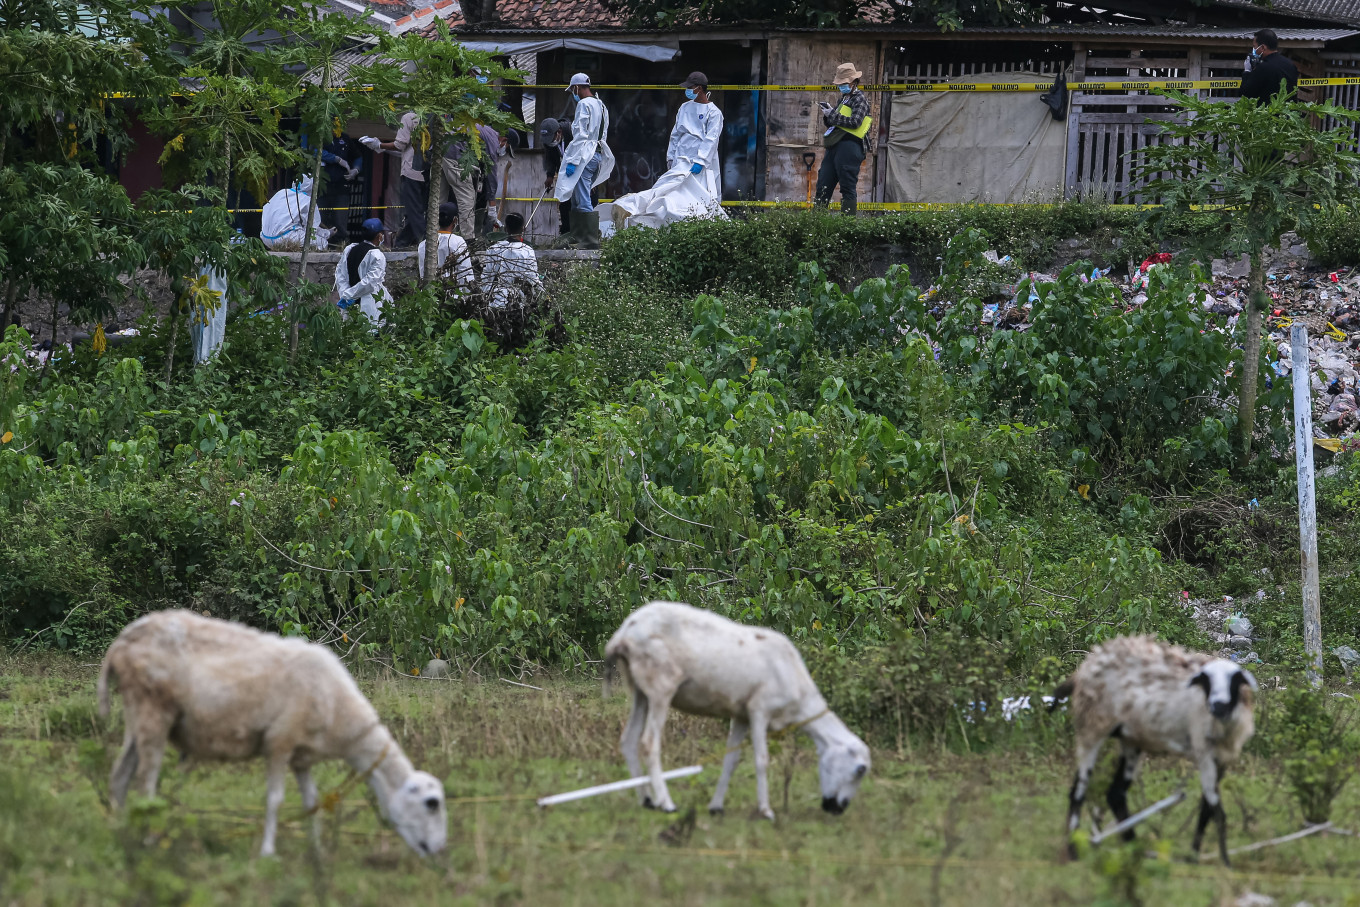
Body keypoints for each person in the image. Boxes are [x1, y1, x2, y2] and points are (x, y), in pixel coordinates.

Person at [612, 72, 725, 231]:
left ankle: (700, 229)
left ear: (699, 88)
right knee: (670, 193)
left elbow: (711, 139)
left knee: (699, 197)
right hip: (681, 160)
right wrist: (671, 158)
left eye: (690, 88)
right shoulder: (685, 107)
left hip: (701, 164)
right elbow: (676, 134)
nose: (687, 91)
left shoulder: (714, 113)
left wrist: (700, 161)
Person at [553, 73, 615, 249]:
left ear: (577, 87)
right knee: (578, 197)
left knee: (582, 198)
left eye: (573, 89)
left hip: (584, 155)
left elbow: (580, 135)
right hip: (597, 154)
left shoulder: (584, 104)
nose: (573, 93)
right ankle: (578, 235)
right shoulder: (601, 105)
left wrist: (572, 160)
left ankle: (588, 241)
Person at [815, 62, 873, 216]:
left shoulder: (859, 99)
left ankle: (847, 228)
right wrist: (828, 115)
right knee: (823, 185)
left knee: (847, 188)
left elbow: (855, 122)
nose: (841, 86)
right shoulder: (844, 99)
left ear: (853, 82)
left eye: (844, 83)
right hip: (835, 145)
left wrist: (833, 115)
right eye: (840, 84)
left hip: (851, 145)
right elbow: (836, 121)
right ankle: (815, 224)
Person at [361, 112, 427, 247]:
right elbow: (407, 150)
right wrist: (382, 149)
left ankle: (425, 243)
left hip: (411, 172)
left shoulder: (408, 117)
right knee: (415, 211)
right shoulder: (432, 116)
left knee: (414, 212)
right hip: (428, 171)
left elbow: (400, 145)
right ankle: (402, 242)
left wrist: (379, 145)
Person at [335, 218, 390, 325]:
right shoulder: (377, 256)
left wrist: (346, 294)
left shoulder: (350, 249)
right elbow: (370, 282)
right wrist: (349, 295)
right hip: (370, 303)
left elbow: (340, 275)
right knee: (372, 332)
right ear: (379, 236)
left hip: (350, 302)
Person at [480, 212, 541, 309]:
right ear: (523, 229)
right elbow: (532, 280)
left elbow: (486, 278)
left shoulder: (493, 249)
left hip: (493, 301)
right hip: (519, 303)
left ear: (505, 229)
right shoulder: (527, 251)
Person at [259, 176, 328, 250]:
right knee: (322, 243)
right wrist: (327, 233)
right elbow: (312, 228)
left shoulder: (282, 192)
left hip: (266, 238)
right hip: (285, 238)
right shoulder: (307, 200)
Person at [418, 202, 476, 289]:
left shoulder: (423, 244)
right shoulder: (458, 242)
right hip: (453, 295)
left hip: (429, 295)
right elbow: (466, 273)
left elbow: (423, 274)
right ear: (455, 220)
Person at [319, 132, 361, 247]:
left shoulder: (345, 138)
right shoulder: (319, 135)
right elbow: (313, 151)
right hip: (322, 186)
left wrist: (356, 169)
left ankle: (341, 245)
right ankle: (321, 244)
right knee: (320, 218)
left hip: (341, 186)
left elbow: (358, 156)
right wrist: (336, 159)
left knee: (340, 219)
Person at [1242, 29, 1299, 104]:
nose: (1254, 50)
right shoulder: (1291, 65)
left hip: (1268, 113)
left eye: (1254, 46)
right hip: (1288, 112)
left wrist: (1247, 71)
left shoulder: (1263, 67)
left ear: (1263, 47)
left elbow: (1246, 93)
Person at [539, 117, 574, 236]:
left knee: (582, 202)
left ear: (559, 132)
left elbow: (584, 150)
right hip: (565, 173)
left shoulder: (572, 131)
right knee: (564, 202)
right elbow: (550, 159)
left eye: (551, 138)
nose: (550, 142)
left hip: (579, 170)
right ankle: (566, 235)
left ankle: (580, 235)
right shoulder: (549, 142)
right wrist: (550, 175)